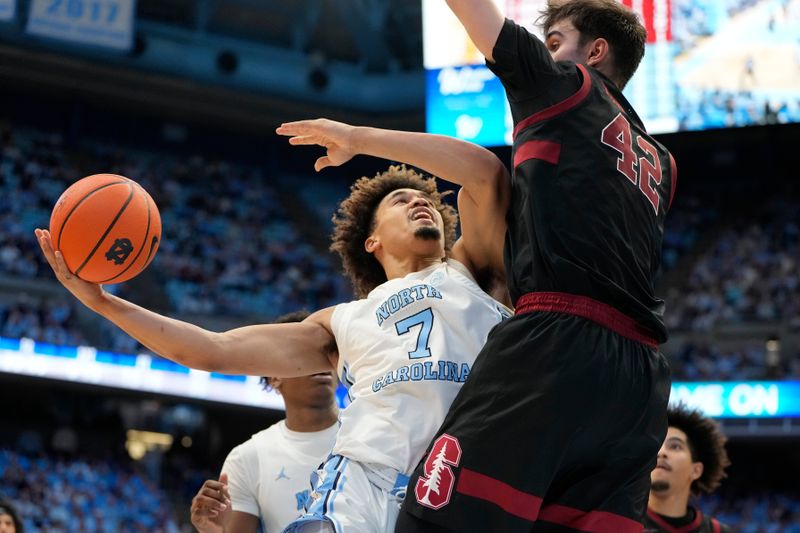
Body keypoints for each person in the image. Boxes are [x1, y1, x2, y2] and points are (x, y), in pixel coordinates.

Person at [36, 118, 511, 532]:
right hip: (369, 481)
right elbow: (210, 350)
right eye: (401, 201)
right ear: (371, 242)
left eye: (423, 199)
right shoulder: (340, 322)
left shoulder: (474, 272)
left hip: (473, 471)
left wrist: (358, 139)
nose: (418, 203)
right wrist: (102, 305)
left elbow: (486, 173)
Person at [398, 1, 677, 531]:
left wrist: (357, 138)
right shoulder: (662, 161)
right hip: (639, 380)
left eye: (555, 42)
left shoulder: (566, 86)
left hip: (557, 343)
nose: (545, 54)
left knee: (435, 520)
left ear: (594, 53)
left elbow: (474, 12)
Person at [190, 311, 339, 533]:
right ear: (274, 376)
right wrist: (213, 531)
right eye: (303, 354)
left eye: (324, 352)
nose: (319, 363)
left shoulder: (373, 431)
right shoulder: (247, 458)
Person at [644, 405, 731, 533]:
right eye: (656, 445)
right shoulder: (619, 521)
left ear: (696, 470)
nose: (661, 452)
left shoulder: (718, 531)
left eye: (675, 446)